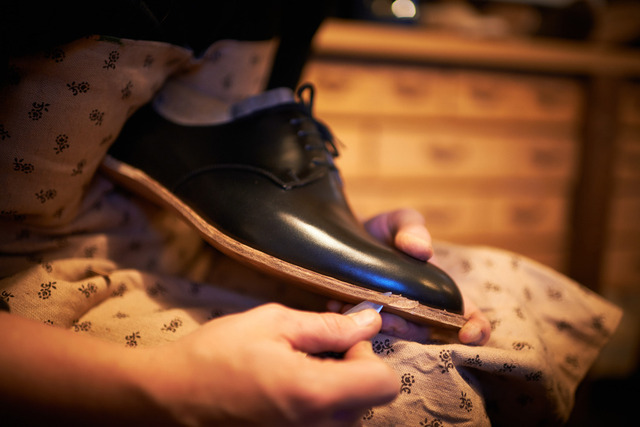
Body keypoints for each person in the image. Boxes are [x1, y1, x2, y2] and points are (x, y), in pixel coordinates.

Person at [0, 1, 621, 426]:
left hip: (191, 248)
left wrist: (337, 229)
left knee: (504, 304)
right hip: (30, 305)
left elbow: (224, 144)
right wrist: (167, 392)